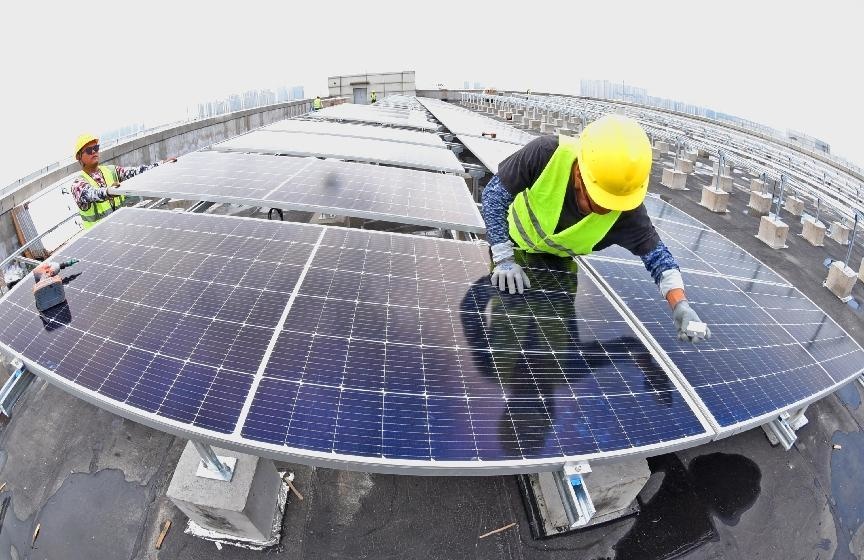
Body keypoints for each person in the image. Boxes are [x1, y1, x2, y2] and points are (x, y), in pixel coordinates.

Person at [480, 114, 711, 343]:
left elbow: (659, 258)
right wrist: (503, 257)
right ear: (580, 174)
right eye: (600, 199)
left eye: (615, 202)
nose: (608, 209)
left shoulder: (626, 208)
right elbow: (493, 196)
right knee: (506, 335)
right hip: (510, 249)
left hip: (561, 266)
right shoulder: (546, 154)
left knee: (553, 346)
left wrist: (680, 304)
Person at [71, 134, 176, 228]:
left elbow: (136, 172)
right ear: (79, 156)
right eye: (89, 150)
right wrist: (108, 191)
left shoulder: (111, 170)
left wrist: (161, 165)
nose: (94, 152)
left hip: (121, 232)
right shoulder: (78, 185)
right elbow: (92, 194)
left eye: (96, 148)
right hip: (98, 239)